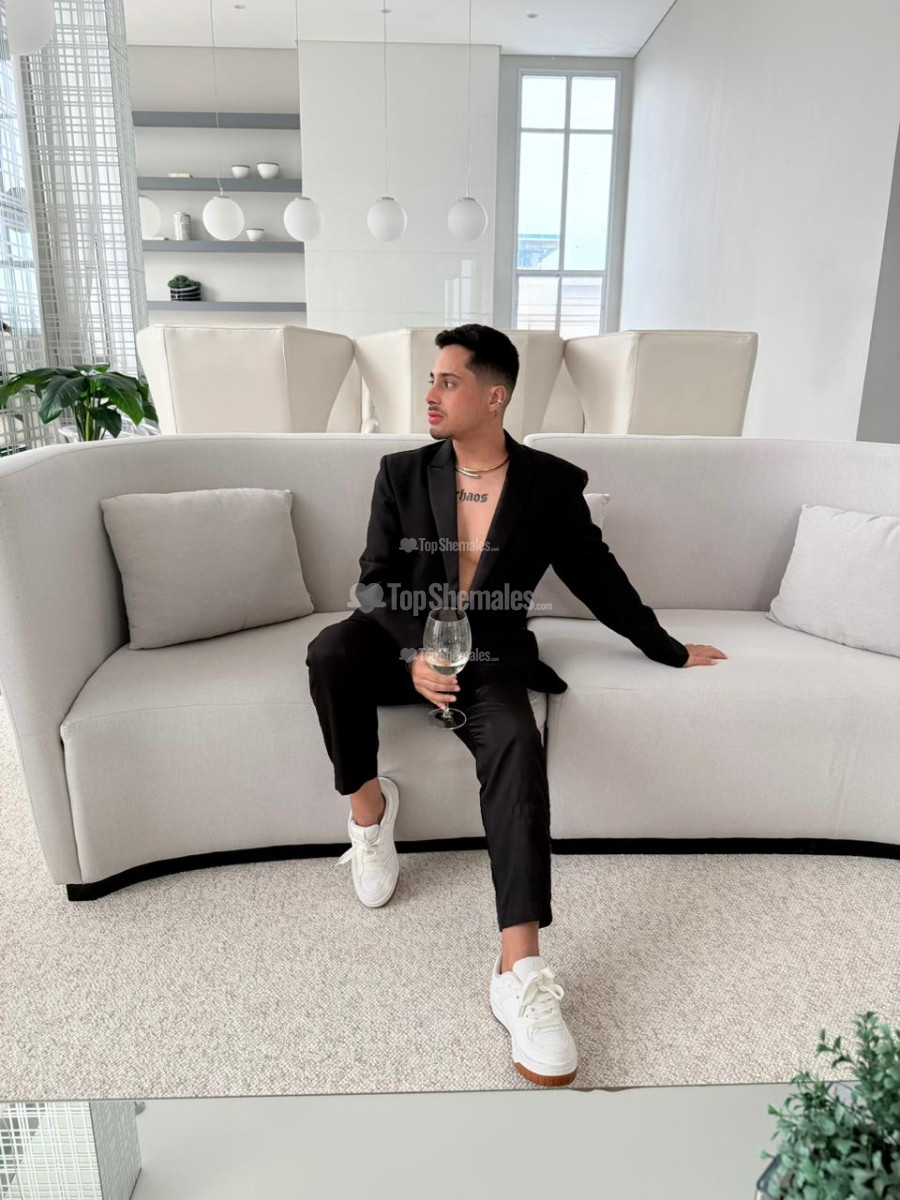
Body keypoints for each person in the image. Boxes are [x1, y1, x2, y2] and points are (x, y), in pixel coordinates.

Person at [306, 323, 727, 1087]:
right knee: (330, 651)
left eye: (449, 381)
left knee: (516, 745)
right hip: (400, 638)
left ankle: (520, 971)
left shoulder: (550, 485)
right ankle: (370, 816)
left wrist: (665, 646)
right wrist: (416, 653)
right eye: (430, 379)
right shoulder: (401, 472)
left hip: (491, 655)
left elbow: (598, 576)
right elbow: (372, 580)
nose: (430, 394)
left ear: (495, 395)